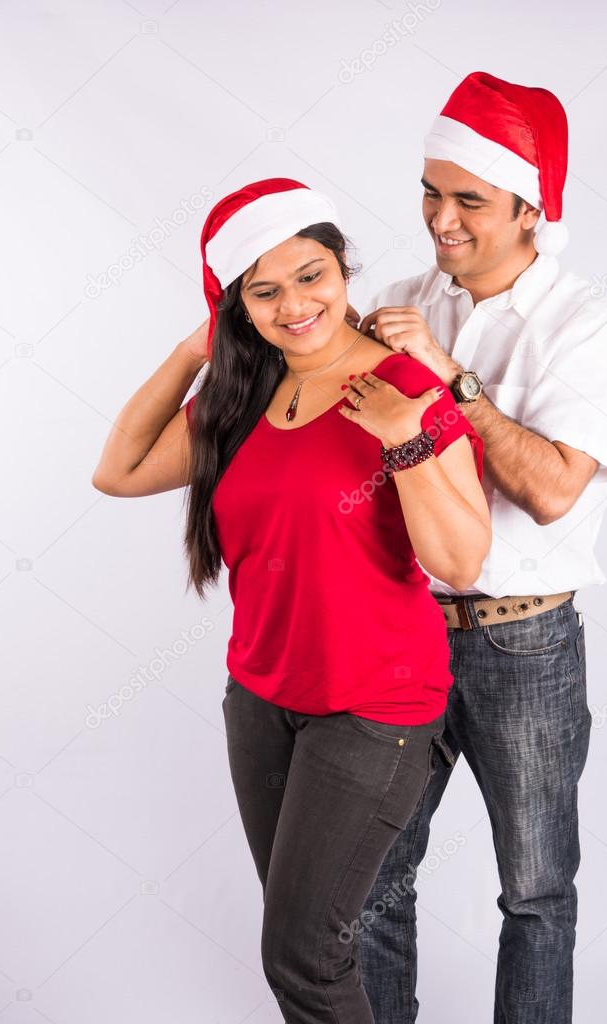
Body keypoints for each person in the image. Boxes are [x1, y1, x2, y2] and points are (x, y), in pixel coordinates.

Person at [91, 176, 491, 1023]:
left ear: (343, 269)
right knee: (310, 948)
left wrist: (405, 441)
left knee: (303, 958)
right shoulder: (243, 394)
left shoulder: (407, 384)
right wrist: (193, 353)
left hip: (372, 709)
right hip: (262, 703)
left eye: (311, 274)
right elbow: (117, 472)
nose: (293, 304)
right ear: (237, 306)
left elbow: (460, 560)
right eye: (263, 291)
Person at [356, 72, 607, 1024]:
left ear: (531, 208)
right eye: (430, 191)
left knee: (535, 894)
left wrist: (451, 378)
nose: (441, 217)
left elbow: (552, 490)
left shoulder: (585, 325)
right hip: (396, 632)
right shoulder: (394, 301)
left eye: (468, 199)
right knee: (374, 889)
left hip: (526, 644)